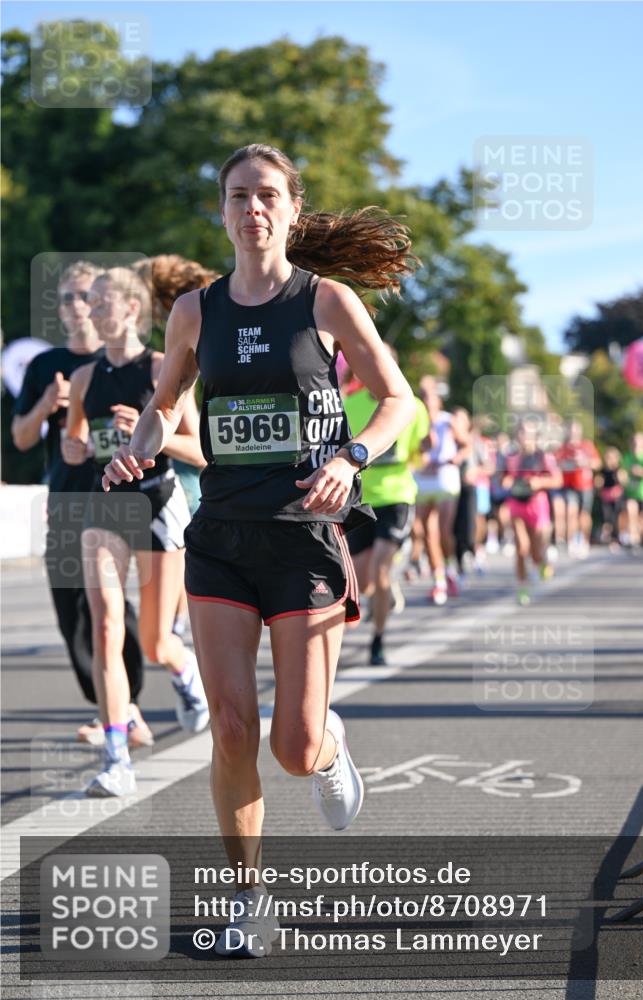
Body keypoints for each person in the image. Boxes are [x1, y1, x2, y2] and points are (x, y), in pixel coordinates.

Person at [100, 144, 417, 956]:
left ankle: (329, 742)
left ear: (290, 209)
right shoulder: (194, 312)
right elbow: (163, 404)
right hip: (220, 541)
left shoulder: (327, 301)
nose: (252, 208)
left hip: (305, 538)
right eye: (238, 195)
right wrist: (137, 445)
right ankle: (249, 899)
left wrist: (352, 458)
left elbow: (395, 398)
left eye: (267, 195)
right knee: (234, 728)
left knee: (292, 744)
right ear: (222, 209)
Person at [63, 266, 210, 797]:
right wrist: (74, 449)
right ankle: (116, 755)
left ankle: (185, 673)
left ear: (131, 308)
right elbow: (72, 443)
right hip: (103, 506)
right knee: (104, 627)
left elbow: (202, 452)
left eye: (101, 302)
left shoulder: (160, 369)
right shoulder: (83, 379)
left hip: (157, 502)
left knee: (153, 641)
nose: (90, 311)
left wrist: (152, 437)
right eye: (87, 303)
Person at [11, 261, 152, 748]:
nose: (77, 305)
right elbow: (22, 438)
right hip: (68, 500)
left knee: (117, 611)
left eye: (86, 295)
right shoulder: (46, 365)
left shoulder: (128, 364)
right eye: (68, 297)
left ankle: (126, 702)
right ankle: (113, 707)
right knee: (72, 607)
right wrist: (48, 402)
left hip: (127, 496)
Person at [345, 345, 430, 665]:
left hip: (397, 496)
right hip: (362, 498)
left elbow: (422, 449)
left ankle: (377, 641)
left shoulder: (414, 407)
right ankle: (385, 592)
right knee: (362, 580)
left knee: (380, 569)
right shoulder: (348, 404)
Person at [412, 383, 469, 605]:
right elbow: (411, 448)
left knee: (444, 531)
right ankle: (439, 580)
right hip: (424, 481)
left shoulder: (448, 421)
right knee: (426, 532)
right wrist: (420, 452)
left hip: (446, 480)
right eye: (423, 397)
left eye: (431, 397)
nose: (427, 402)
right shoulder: (415, 421)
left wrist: (457, 458)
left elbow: (466, 445)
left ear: (438, 401)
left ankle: (451, 569)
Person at [502, 422, 563, 606]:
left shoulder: (543, 457)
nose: (523, 438)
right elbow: (503, 477)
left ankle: (542, 562)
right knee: (521, 548)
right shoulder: (511, 457)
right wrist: (506, 480)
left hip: (537, 504)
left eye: (527, 434)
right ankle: (522, 587)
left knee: (536, 552)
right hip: (516, 504)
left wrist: (539, 482)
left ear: (535, 437)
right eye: (520, 433)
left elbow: (557, 480)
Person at [555, 419, 601, 558]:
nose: (574, 434)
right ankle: (572, 541)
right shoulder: (562, 448)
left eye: (576, 431)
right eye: (571, 431)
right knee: (571, 511)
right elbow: (556, 465)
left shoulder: (587, 446)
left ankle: (584, 540)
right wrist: (566, 465)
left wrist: (584, 462)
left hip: (585, 485)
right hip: (569, 486)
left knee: (584, 515)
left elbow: (598, 463)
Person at [621, 432, 643, 548]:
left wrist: (641, 472)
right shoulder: (627, 457)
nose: (636, 445)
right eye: (634, 442)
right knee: (631, 513)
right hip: (631, 493)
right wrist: (623, 478)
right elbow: (622, 473)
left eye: (639, 442)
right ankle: (633, 538)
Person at [595, 446, 626, 548]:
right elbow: (599, 483)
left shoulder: (619, 470)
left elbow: (623, 482)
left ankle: (617, 537)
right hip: (606, 497)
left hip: (617, 498)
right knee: (607, 517)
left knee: (616, 517)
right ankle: (607, 535)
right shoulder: (603, 471)